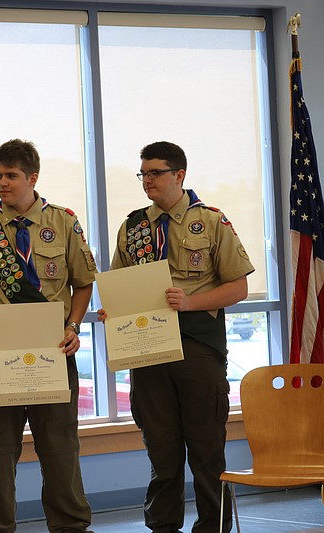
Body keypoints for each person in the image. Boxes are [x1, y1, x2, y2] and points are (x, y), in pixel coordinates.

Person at [98, 141, 254, 533]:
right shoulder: (134, 226)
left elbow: (238, 288)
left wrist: (190, 302)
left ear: (179, 175)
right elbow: (119, 284)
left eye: (155, 173)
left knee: (205, 450)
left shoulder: (212, 221)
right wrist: (112, 310)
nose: (147, 180)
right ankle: (162, 526)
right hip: (147, 350)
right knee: (162, 451)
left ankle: (213, 528)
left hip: (197, 347)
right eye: (143, 174)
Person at [0, 139, 97, 533]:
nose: (2, 183)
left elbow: (84, 284)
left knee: (60, 447)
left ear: (32, 177)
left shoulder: (63, 222)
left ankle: (70, 525)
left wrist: (74, 326)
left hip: (54, 350)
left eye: (11, 176)